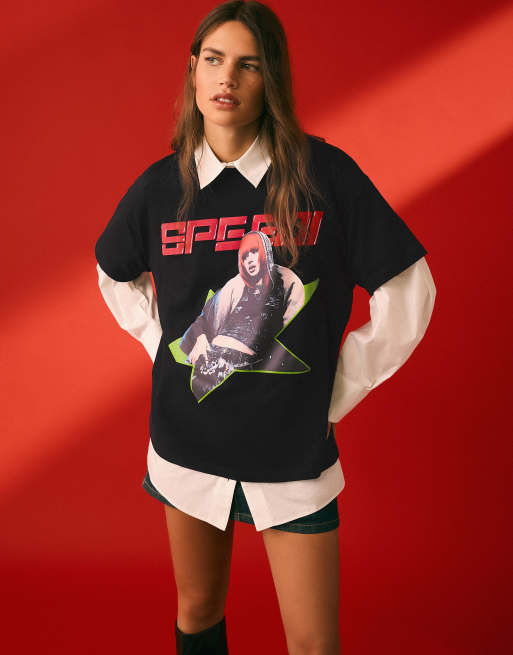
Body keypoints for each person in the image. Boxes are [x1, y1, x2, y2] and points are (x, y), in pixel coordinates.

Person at [94, 1, 436, 653]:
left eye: (248, 65)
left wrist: (338, 386)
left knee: (312, 643)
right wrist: (165, 348)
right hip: (187, 445)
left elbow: (409, 288)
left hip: (290, 452)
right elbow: (112, 271)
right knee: (197, 609)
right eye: (214, 59)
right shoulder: (161, 188)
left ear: (270, 78)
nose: (227, 78)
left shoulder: (323, 176)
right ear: (193, 70)